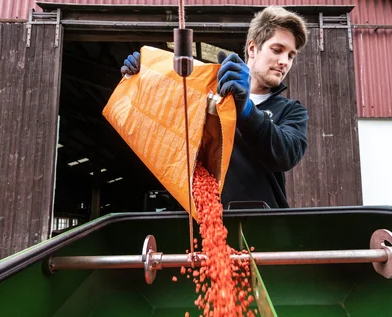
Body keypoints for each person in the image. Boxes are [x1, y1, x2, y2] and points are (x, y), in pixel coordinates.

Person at [121, 6, 309, 209]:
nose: (284, 62)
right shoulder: (205, 93)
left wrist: (246, 110)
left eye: (291, 56)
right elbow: (163, 125)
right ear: (252, 48)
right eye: (277, 50)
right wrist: (144, 77)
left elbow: (286, 155)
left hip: (265, 225)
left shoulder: (292, 111)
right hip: (206, 220)